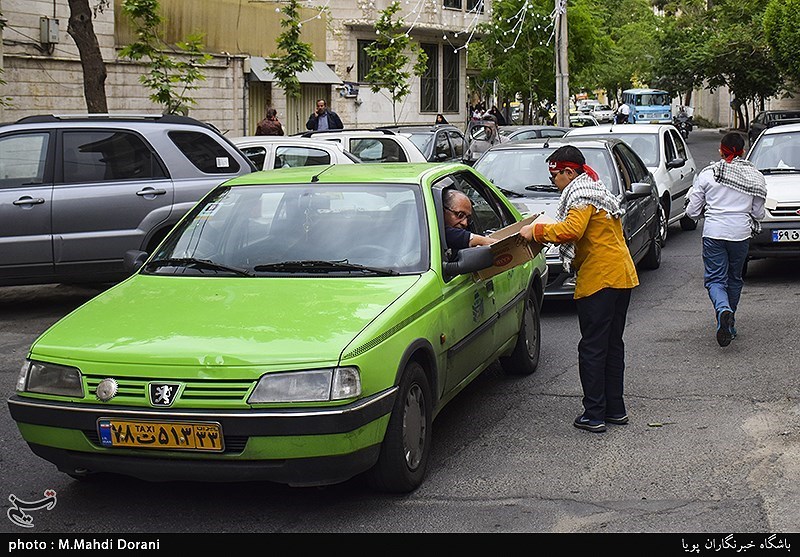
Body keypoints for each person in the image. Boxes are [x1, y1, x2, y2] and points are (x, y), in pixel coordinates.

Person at [518, 145, 639, 433]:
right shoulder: (598, 190)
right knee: (611, 345)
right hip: (621, 275)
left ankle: (594, 414)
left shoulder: (581, 196)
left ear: (569, 172)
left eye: (555, 176)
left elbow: (572, 230)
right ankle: (615, 409)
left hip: (600, 279)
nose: (554, 182)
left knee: (593, 348)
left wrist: (535, 231)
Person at [684, 132, 766, 347]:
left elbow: (692, 212)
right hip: (740, 234)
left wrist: (707, 211)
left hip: (714, 233)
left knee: (714, 279)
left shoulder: (708, 174)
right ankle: (729, 323)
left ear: (721, 150)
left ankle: (723, 310)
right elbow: (758, 214)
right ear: (743, 151)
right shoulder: (754, 176)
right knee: (734, 278)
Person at [443, 189, 496, 254]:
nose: (465, 223)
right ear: (443, 211)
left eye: (468, 218)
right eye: (460, 215)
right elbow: (447, 233)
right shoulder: (430, 233)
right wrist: (478, 240)